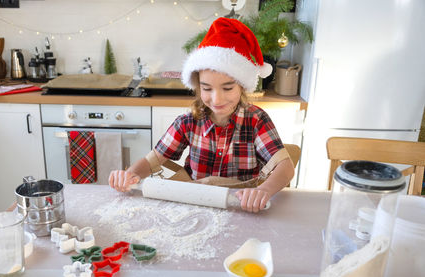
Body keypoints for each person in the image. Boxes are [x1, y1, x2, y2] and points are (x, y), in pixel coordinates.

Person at [109, 17, 295, 213]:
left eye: (228, 88)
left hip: (242, 209)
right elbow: (152, 161)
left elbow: (286, 167)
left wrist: (262, 190)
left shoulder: (256, 120)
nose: (217, 99)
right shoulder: (188, 122)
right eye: (207, 88)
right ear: (198, 87)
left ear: (242, 85)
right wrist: (129, 175)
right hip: (198, 206)